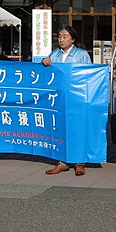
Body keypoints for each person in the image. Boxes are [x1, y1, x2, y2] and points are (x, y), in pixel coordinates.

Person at [41, 25, 92, 176]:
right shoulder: (54, 54)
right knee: (59, 129)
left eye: (64, 36)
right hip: (58, 99)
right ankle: (62, 162)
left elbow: (88, 75)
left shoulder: (81, 54)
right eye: (59, 36)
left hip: (76, 98)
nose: (61, 39)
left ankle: (79, 162)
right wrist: (45, 63)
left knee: (77, 129)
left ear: (73, 39)